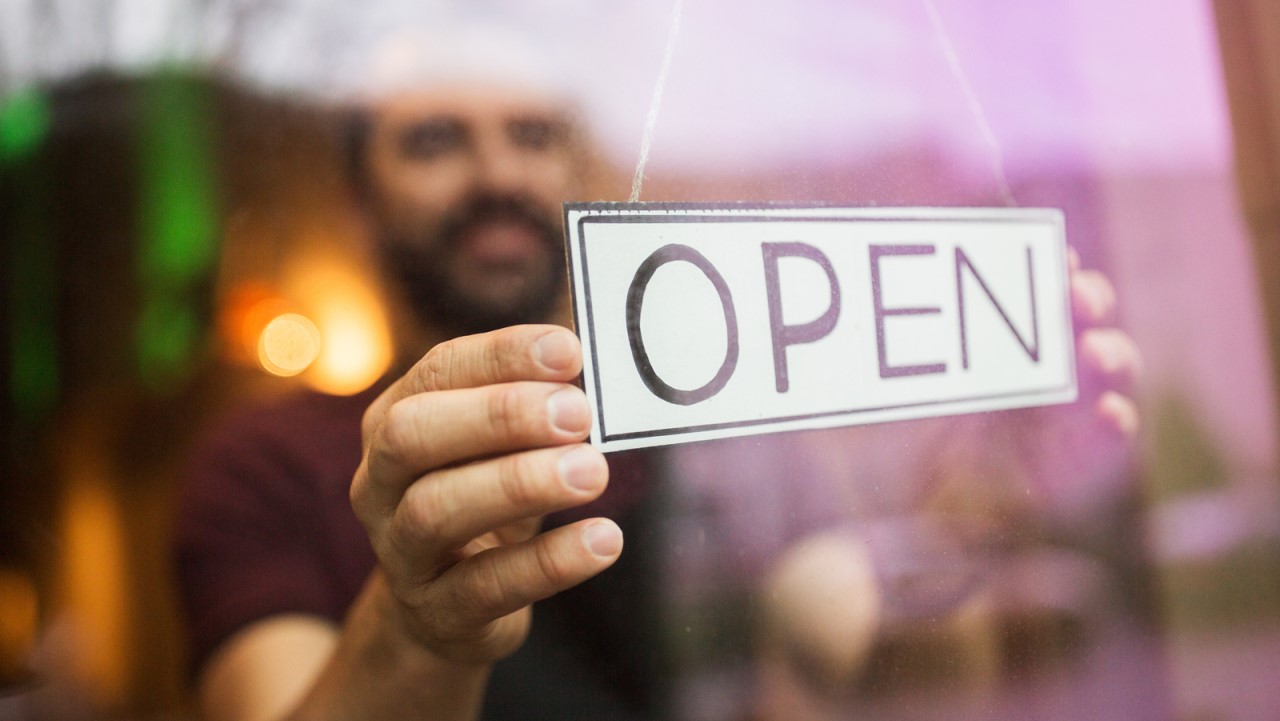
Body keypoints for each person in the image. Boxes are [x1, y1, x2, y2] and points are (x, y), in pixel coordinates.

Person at [176, 69, 1141, 721]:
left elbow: (847, 644)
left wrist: (997, 488)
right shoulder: (264, 467)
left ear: (579, 170)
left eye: (533, 134)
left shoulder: (711, 420)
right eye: (434, 141)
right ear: (360, 200)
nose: (497, 173)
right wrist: (422, 620)